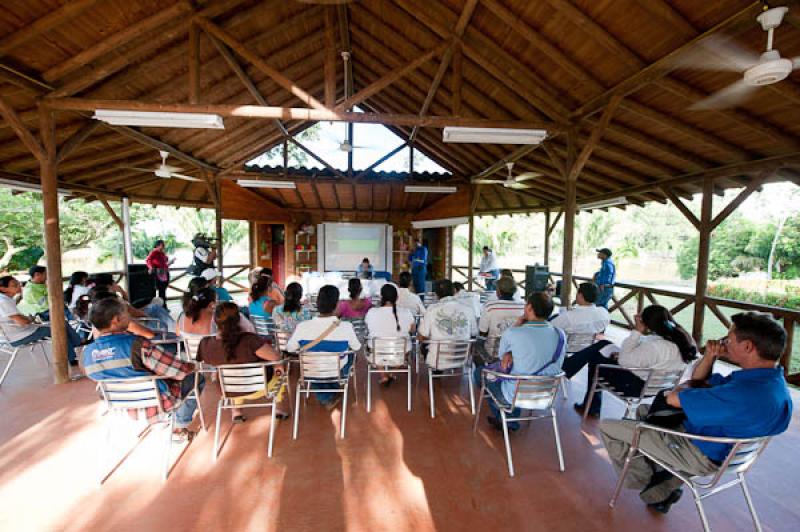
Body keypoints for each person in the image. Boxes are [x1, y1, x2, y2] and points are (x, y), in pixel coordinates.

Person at [600, 312, 792, 514]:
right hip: (725, 449)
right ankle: (663, 475)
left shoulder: (741, 394)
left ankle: (651, 483)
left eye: (729, 339)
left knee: (609, 427)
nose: (725, 343)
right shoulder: (771, 384)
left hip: (697, 451)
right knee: (643, 411)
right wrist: (710, 357)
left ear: (747, 347)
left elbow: (673, 397)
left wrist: (686, 387)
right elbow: (700, 381)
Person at [82, 297, 202, 441]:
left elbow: (96, 377)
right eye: (126, 313)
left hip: (119, 405)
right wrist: (191, 366)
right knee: (196, 378)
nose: (130, 317)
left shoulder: (88, 352)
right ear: (116, 320)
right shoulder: (138, 345)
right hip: (154, 403)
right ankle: (178, 426)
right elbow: (179, 371)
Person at [563, 305, 696, 417]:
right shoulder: (683, 340)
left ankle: (572, 379)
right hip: (662, 387)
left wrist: (637, 331)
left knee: (596, 358)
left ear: (648, 324)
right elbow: (641, 355)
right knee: (604, 344)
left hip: (636, 387)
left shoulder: (655, 346)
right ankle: (570, 373)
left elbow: (625, 361)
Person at [474, 292, 566, 431]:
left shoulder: (514, 333)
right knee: (517, 371)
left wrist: (516, 325)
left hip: (514, 396)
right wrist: (511, 352)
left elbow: (500, 357)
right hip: (546, 396)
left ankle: (507, 419)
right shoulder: (560, 334)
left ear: (529, 308)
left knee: (480, 373)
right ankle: (507, 417)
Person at [196, 302, 288, 422]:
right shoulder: (250, 340)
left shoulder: (206, 344)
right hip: (260, 387)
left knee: (232, 374)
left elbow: (201, 362)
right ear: (239, 319)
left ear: (215, 320)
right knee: (279, 370)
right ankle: (278, 409)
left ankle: (236, 412)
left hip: (228, 390)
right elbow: (275, 356)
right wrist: (278, 364)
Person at [287, 285, 362, 409]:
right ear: (337, 304)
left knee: (312, 363)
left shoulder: (303, 326)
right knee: (352, 355)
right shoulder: (346, 326)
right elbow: (357, 347)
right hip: (337, 370)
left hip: (311, 370)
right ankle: (328, 394)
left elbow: (290, 349)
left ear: (317, 303)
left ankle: (327, 394)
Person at [0, 275, 82, 367]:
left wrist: (29, 319)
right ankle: (73, 358)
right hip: (20, 336)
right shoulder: (4, 301)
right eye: (15, 285)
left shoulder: (6, 299)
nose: (19, 286)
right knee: (58, 329)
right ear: (3, 289)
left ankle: (78, 344)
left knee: (62, 323)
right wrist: (30, 319)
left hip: (21, 332)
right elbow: (22, 321)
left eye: (18, 283)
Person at [364, 283, 415, 386]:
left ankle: (383, 375)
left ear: (381, 297)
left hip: (376, 357)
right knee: (406, 347)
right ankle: (390, 373)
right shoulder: (406, 312)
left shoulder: (372, 312)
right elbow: (413, 330)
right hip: (400, 357)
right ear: (397, 298)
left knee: (372, 345)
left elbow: (368, 327)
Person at [418, 279, 477, 367]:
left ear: (436, 294)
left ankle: (436, 373)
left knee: (424, 344)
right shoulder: (468, 309)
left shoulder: (431, 309)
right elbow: (474, 333)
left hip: (437, 360)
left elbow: (422, 336)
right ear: (454, 291)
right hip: (462, 358)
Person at [550, 282, 610, 351]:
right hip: (588, 351)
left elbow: (551, 328)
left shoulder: (569, 317)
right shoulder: (604, 313)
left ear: (580, 295)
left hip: (568, 351)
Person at [478, 276, 526, 359]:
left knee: (477, 345)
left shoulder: (490, 306)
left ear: (498, 292)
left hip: (494, 354)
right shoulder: (523, 306)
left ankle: (483, 369)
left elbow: (482, 332)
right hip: (517, 353)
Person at [145, 239, 174, 307]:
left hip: (164, 273)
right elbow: (148, 260)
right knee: (158, 291)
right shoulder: (154, 252)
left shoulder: (162, 253)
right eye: (162, 245)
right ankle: (158, 306)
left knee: (162, 291)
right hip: (158, 274)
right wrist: (150, 267)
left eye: (164, 245)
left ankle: (163, 305)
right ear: (157, 245)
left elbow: (164, 264)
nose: (164, 246)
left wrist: (170, 262)